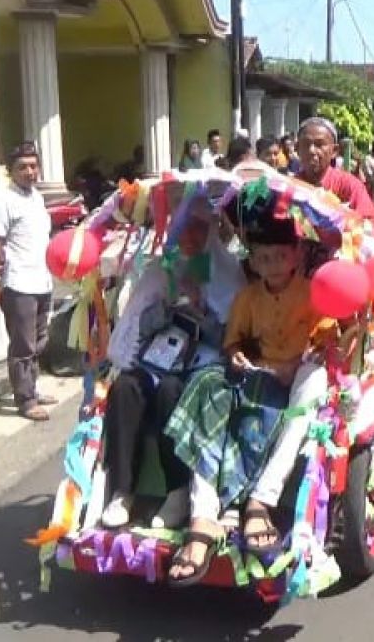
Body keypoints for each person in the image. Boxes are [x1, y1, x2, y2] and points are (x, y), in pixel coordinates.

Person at [164, 212, 327, 587]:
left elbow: (326, 342)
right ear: (252, 260)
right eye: (263, 258)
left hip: (296, 381)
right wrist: (237, 354)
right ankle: (202, 517)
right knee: (206, 383)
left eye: (279, 256)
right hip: (255, 376)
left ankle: (261, 502)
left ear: (297, 254)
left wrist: (299, 363)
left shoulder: (314, 293)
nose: (271, 265)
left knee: (314, 380)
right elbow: (233, 342)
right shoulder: (247, 296)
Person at [99, 207, 247, 529]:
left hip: (203, 361)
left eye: (198, 228)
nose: (190, 237)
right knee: (126, 386)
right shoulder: (160, 269)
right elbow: (139, 325)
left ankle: (177, 490)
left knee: (172, 391)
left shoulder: (227, 271)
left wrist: (200, 313)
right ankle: (122, 490)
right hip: (159, 354)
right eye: (184, 228)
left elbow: (234, 336)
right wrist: (168, 306)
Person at [0, 142, 57, 421]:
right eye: (22, 167)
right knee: (22, 345)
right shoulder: (2, 201)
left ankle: (33, 389)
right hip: (18, 284)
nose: (29, 171)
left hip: (42, 281)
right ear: (10, 171)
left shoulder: (36, 197)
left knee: (39, 341)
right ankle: (25, 400)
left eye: (33, 166)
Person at [295, 117, 374, 242]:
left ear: (334, 151)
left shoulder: (350, 185)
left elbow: (372, 227)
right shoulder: (288, 188)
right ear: (297, 149)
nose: (312, 151)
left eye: (319, 144)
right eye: (306, 144)